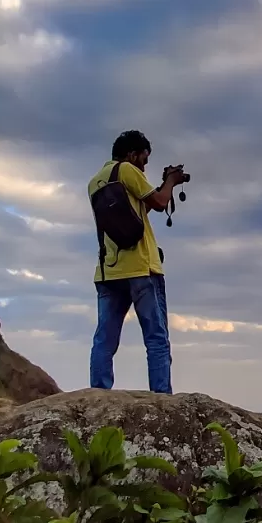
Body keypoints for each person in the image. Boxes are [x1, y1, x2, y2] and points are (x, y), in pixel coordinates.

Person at [88, 130, 188, 394]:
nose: (144, 166)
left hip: (109, 272)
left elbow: (131, 211)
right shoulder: (128, 171)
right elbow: (159, 201)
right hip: (141, 268)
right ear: (132, 154)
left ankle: (98, 394)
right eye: (144, 159)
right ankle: (162, 398)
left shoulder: (95, 181)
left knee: (104, 340)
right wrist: (171, 182)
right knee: (156, 339)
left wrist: (164, 181)